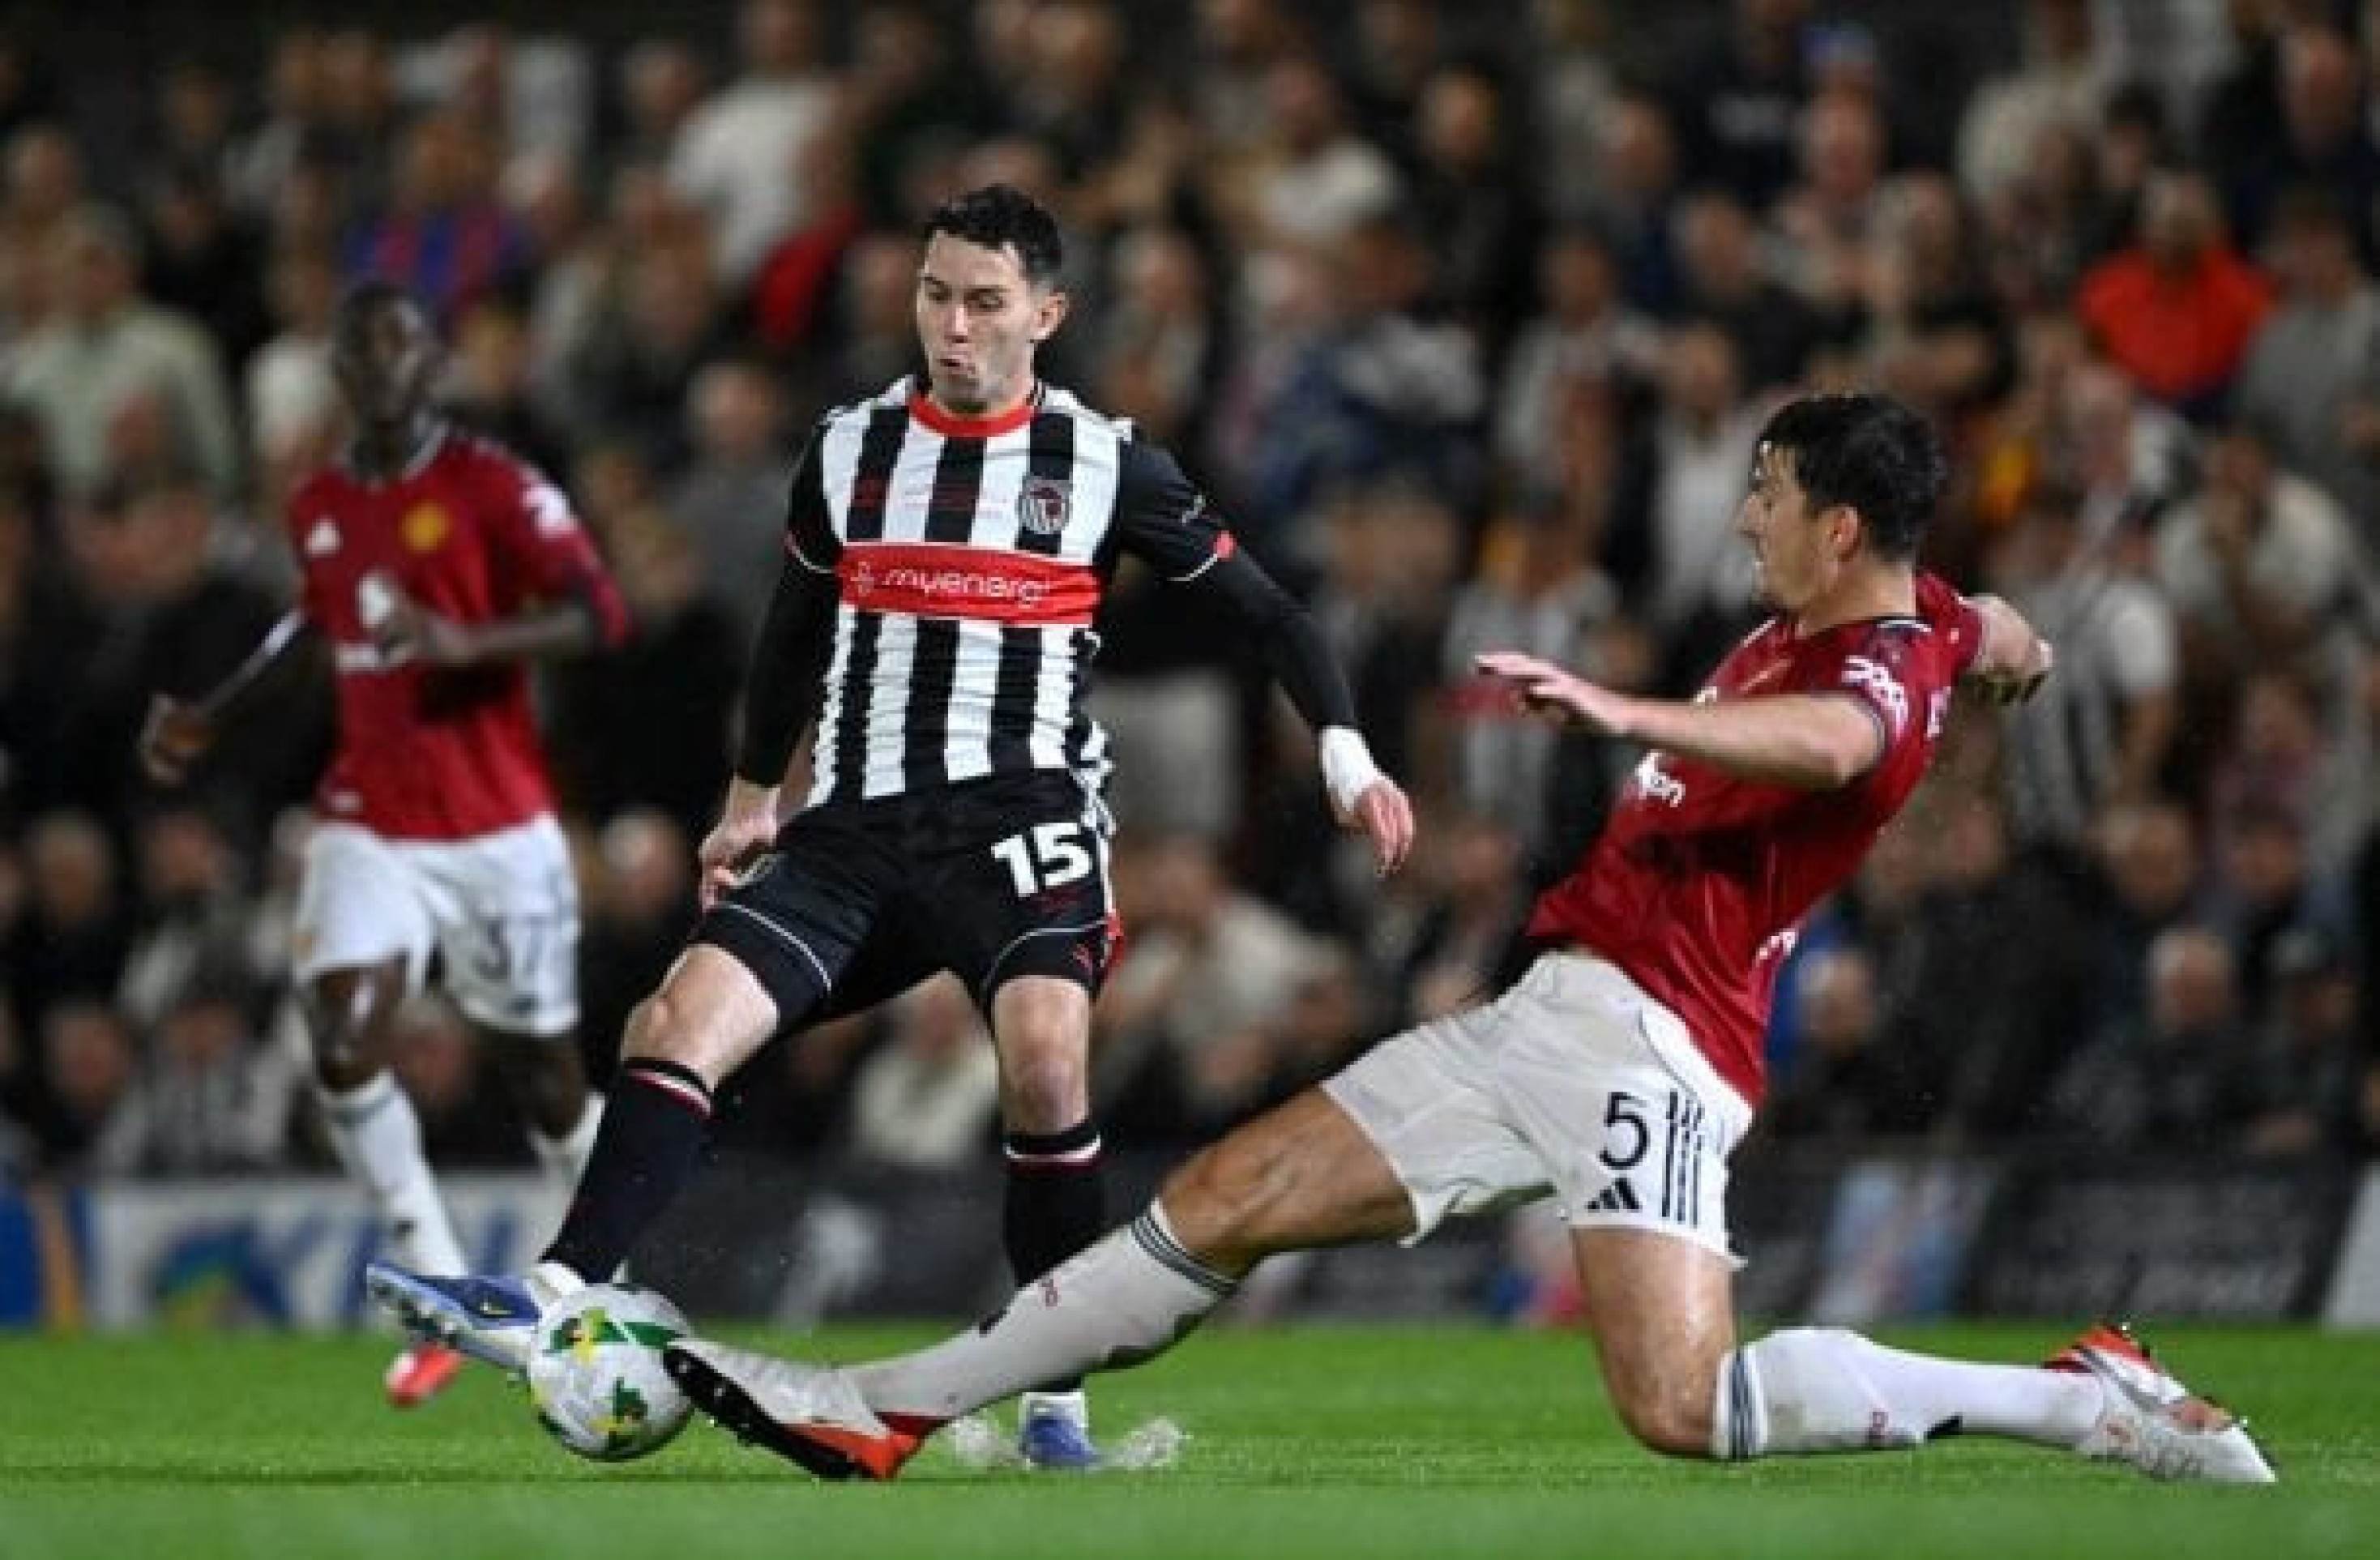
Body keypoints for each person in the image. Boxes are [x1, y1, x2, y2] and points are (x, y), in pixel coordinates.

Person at [659, 394, 2273, 1486]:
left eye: (1769, 499)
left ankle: (2076, 1398)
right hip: (1542, 1018)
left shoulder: (1857, 685)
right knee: (1221, 1199)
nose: (1743, 524)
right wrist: (2017, 649)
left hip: (1654, 1044)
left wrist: (1627, 709)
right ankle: (885, 1411)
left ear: (1842, 530)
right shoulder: (1908, 626)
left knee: (1681, 1410)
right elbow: (1989, 632)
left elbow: (1835, 757)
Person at [370, 184, 1415, 1469]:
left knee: (1044, 1057)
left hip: (1022, 820)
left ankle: (1053, 1401)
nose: (953, 326)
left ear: (1047, 312)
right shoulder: (852, 448)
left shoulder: (1105, 461)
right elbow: (791, 634)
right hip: (854, 831)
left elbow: (1275, 615)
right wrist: (751, 799)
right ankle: (556, 1292)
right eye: (935, 295)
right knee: (675, 1020)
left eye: (984, 302)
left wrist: (1345, 753)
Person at [141, 280, 629, 1408]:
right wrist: (215, 710)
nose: (385, 371)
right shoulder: (318, 500)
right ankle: (445, 1284)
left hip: (499, 826)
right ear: (344, 375)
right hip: (372, 820)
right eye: (362, 355)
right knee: (342, 1028)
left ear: (432, 363)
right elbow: (314, 624)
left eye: (404, 348)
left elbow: (599, 612)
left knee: (547, 1080)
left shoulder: (492, 484)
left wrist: (466, 636)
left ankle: (608, 1272)